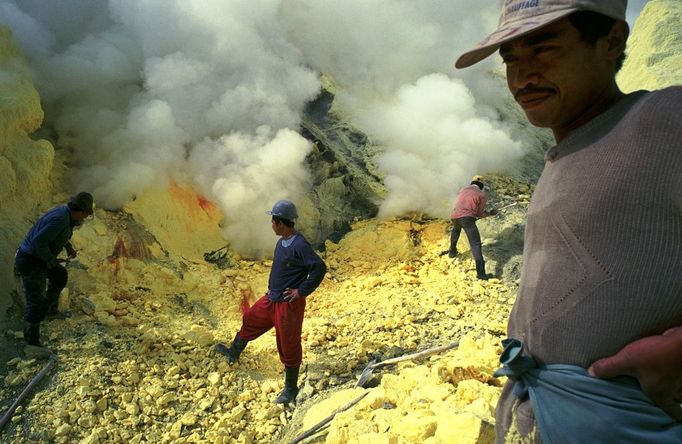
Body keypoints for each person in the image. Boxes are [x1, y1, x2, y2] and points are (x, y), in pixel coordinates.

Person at [456, 0, 681, 442]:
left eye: (543, 49)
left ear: (611, 41)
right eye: (510, 59)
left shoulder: (665, 119)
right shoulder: (569, 149)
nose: (522, 76)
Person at [216, 200, 327, 404]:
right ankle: (234, 351)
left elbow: (319, 268)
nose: (271, 224)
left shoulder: (299, 244)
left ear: (280, 223)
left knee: (288, 343)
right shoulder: (282, 241)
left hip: (288, 304)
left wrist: (300, 291)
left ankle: (290, 389)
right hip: (272, 298)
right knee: (250, 318)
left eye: (273, 221)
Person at [14, 192, 94, 348]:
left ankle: (49, 310)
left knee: (59, 275)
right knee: (35, 299)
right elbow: (38, 243)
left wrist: (68, 246)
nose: (83, 219)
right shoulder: (60, 219)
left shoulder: (65, 214)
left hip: (38, 258)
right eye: (84, 216)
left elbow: (54, 235)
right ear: (79, 211)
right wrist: (50, 260)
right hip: (30, 260)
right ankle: (32, 343)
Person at [446, 175, 497, 280]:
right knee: (475, 244)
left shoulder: (462, 190)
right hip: (467, 219)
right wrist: (490, 213)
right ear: (481, 185)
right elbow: (479, 214)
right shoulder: (481, 194)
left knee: (456, 230)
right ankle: (481, 273)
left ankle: (452, 252)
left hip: (454, 216)